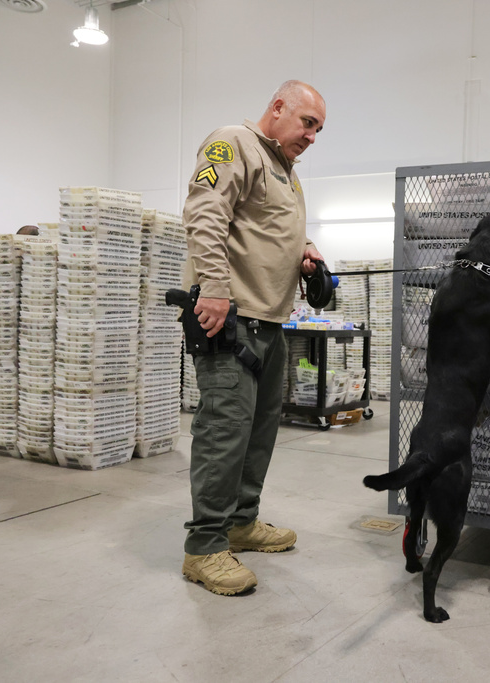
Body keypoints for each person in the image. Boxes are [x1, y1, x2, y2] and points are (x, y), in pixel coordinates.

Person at [180, 80, 326, 595]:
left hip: (270, 321)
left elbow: (268, 226)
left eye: (318, 130)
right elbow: (205, 211)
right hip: (231, 319)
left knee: (258, 433)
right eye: (307, 123)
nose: (311, 136)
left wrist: (305, 248)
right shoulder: (232, 143)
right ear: (278, 107)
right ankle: (204, 547)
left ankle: (241, 522)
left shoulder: (286, 170)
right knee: (225, 432)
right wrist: (214, 287)